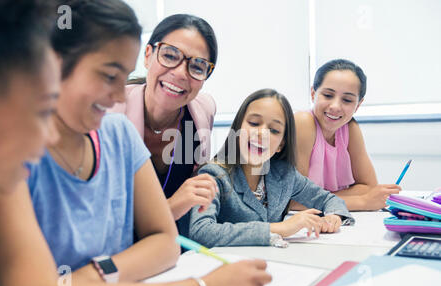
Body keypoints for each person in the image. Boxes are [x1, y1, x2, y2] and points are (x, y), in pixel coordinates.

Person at [0, 0, 271, 286]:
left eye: (197, 66)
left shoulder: (130, 130)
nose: (116, 96)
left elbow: (165, 240)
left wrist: (91, 276)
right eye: (109, 75)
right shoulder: (10, 152)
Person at [188, 89, 354, 248]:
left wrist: (334, 216)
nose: (262, 133)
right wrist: (280, 228)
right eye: (254, 123)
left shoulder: (284, 174)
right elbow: (201, 231)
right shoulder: (213, 175)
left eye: (274, 130)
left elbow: (329, 200)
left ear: (281, 144)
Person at [110, 14, 219, 237]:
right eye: (170, 55)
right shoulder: (109, 115)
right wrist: (171, 208)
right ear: (148, 56)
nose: (180, 73)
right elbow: (102, 222)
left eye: (197, 67)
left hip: (176, 251)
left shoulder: (202, 111)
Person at [293, 59, 401, 211]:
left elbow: (369, 187)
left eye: (347, 100)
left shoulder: (349, 127)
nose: (335, 106)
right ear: (313, 94)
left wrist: (319, 198)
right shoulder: (303, 122)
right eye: (328, 95)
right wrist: (362, 202)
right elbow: (295, 200)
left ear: (358, 105)